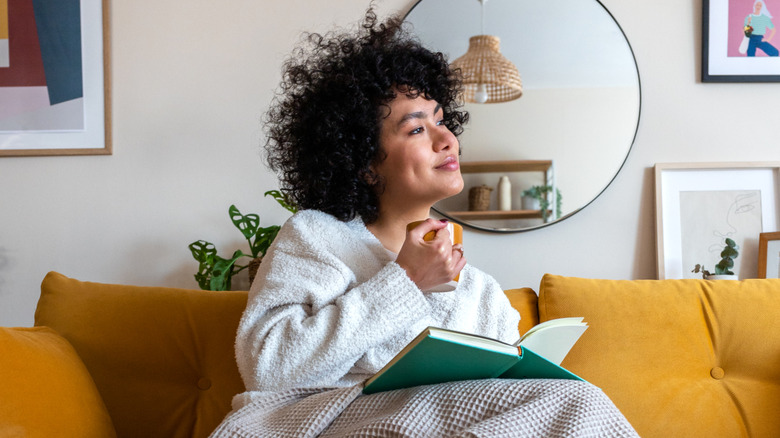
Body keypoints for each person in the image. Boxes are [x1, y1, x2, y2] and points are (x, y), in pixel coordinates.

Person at [210, 8, 638, 438]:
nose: (446, 138)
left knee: (566, 399)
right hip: (328, 423)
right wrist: (406, 280)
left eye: (440, 119)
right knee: (580, 402)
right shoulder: (316, 237)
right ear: (364, 165)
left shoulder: (480, 293)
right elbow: (268, 368)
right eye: (416, 130)